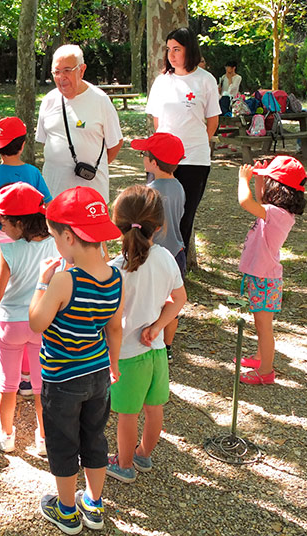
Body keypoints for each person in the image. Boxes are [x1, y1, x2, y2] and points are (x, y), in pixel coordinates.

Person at [29, 186, 124, 534]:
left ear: (68, 237)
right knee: (94, 438)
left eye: (55, 236)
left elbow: (37, 323)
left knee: (63, 442)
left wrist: (41, 283)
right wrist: (113, 365)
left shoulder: (63, 280)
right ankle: (94, 505)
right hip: (98, 374)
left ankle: (67, 510)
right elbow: (114, 329)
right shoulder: (115, 278)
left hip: (62, 379)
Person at [106, 185, 187, 484]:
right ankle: (143, 455)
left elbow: (109, 320)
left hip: (127, 354)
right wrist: (158, 327)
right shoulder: (166, 257)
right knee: (154, 409)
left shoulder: (115, 270)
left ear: (117, 226)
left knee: (127, 414)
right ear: (161, 225)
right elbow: (179, 298)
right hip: (156, 350)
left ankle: (124, 465)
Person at [0, 183, 57, 456]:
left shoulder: (9, 252)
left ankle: (7, 435)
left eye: (3, 221)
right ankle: (45, 439)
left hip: (10, 323)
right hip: (42, 322)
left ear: (20, 222)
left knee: (7, 383)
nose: (0, 226)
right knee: (41, 385)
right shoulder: (56, 247)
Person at [145, 27, 221, 261]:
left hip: (194, 160)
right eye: (168, 50)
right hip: (162, 162)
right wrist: (166, 152)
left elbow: (212, 121)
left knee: (184, 217)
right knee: (154, 215)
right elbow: (158, 122)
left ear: (190, 50)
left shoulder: (206, 80)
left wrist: (194, 144)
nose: (171, 55)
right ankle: (152, 265)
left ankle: (177, 272)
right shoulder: (162, 81)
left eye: (177, 49)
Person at [237, 156, 307, 385]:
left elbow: (246, 202)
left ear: (277, 188)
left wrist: (243, 180)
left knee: (264, 327)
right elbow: (259, 199)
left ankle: (266, 372)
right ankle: (260, 358)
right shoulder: (278, 211)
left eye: (268, 182)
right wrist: (260, 175)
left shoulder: (276, 214)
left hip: (265, 279)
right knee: (261, 323)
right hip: (263, 277)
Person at [36, 44, 123, 203]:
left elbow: (116, 143)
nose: (61, 77)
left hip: (91, 195)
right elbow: (46, 142)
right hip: (54, 194)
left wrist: (92, 164)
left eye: (67, 70)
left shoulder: (100, 101)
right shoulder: (48, 100)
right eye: (56, 72)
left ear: (81, 70)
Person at [131, 132, 186, 362]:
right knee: (172, 302)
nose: (143, 157)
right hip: (177, 252)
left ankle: (148, 339)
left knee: (153, 299)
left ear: (153, 162)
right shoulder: (179, 187)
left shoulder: (150, 191)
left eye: (145, 154)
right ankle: (167, 346)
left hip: (154, 253)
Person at [0, 116, 52, 217]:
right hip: (30, 230)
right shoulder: (33, 172)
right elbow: (49, 205)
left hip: (2, 230)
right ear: (22, 145)